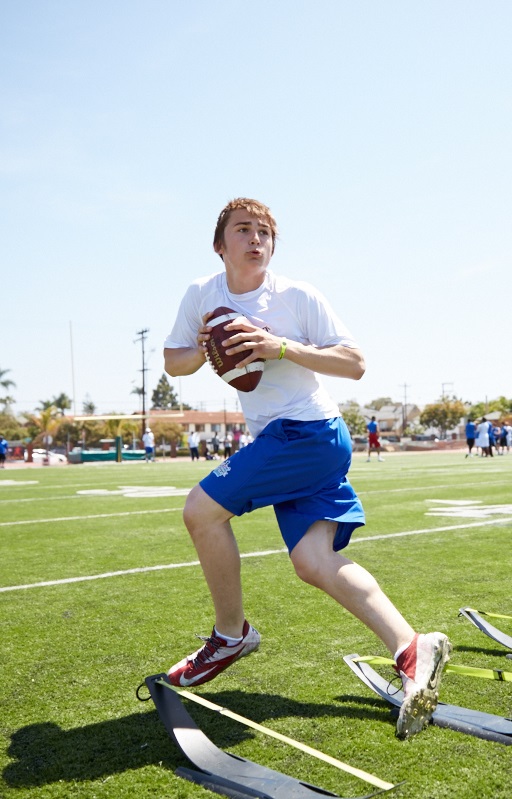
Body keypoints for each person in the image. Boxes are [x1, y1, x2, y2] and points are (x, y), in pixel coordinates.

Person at [163, 197, 450, 739]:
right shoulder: (202, 294)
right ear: (220, 244)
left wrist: (282, 347)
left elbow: (355, 363)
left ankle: (230, 635)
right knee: (314, 560)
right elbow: (173, 360)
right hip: (289, 438)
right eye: (243, 230)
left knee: (201, 512)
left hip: (308, 431)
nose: (255, 240)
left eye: (265, 232)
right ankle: (413, 648)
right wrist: (206, 347)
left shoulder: (297, 296)